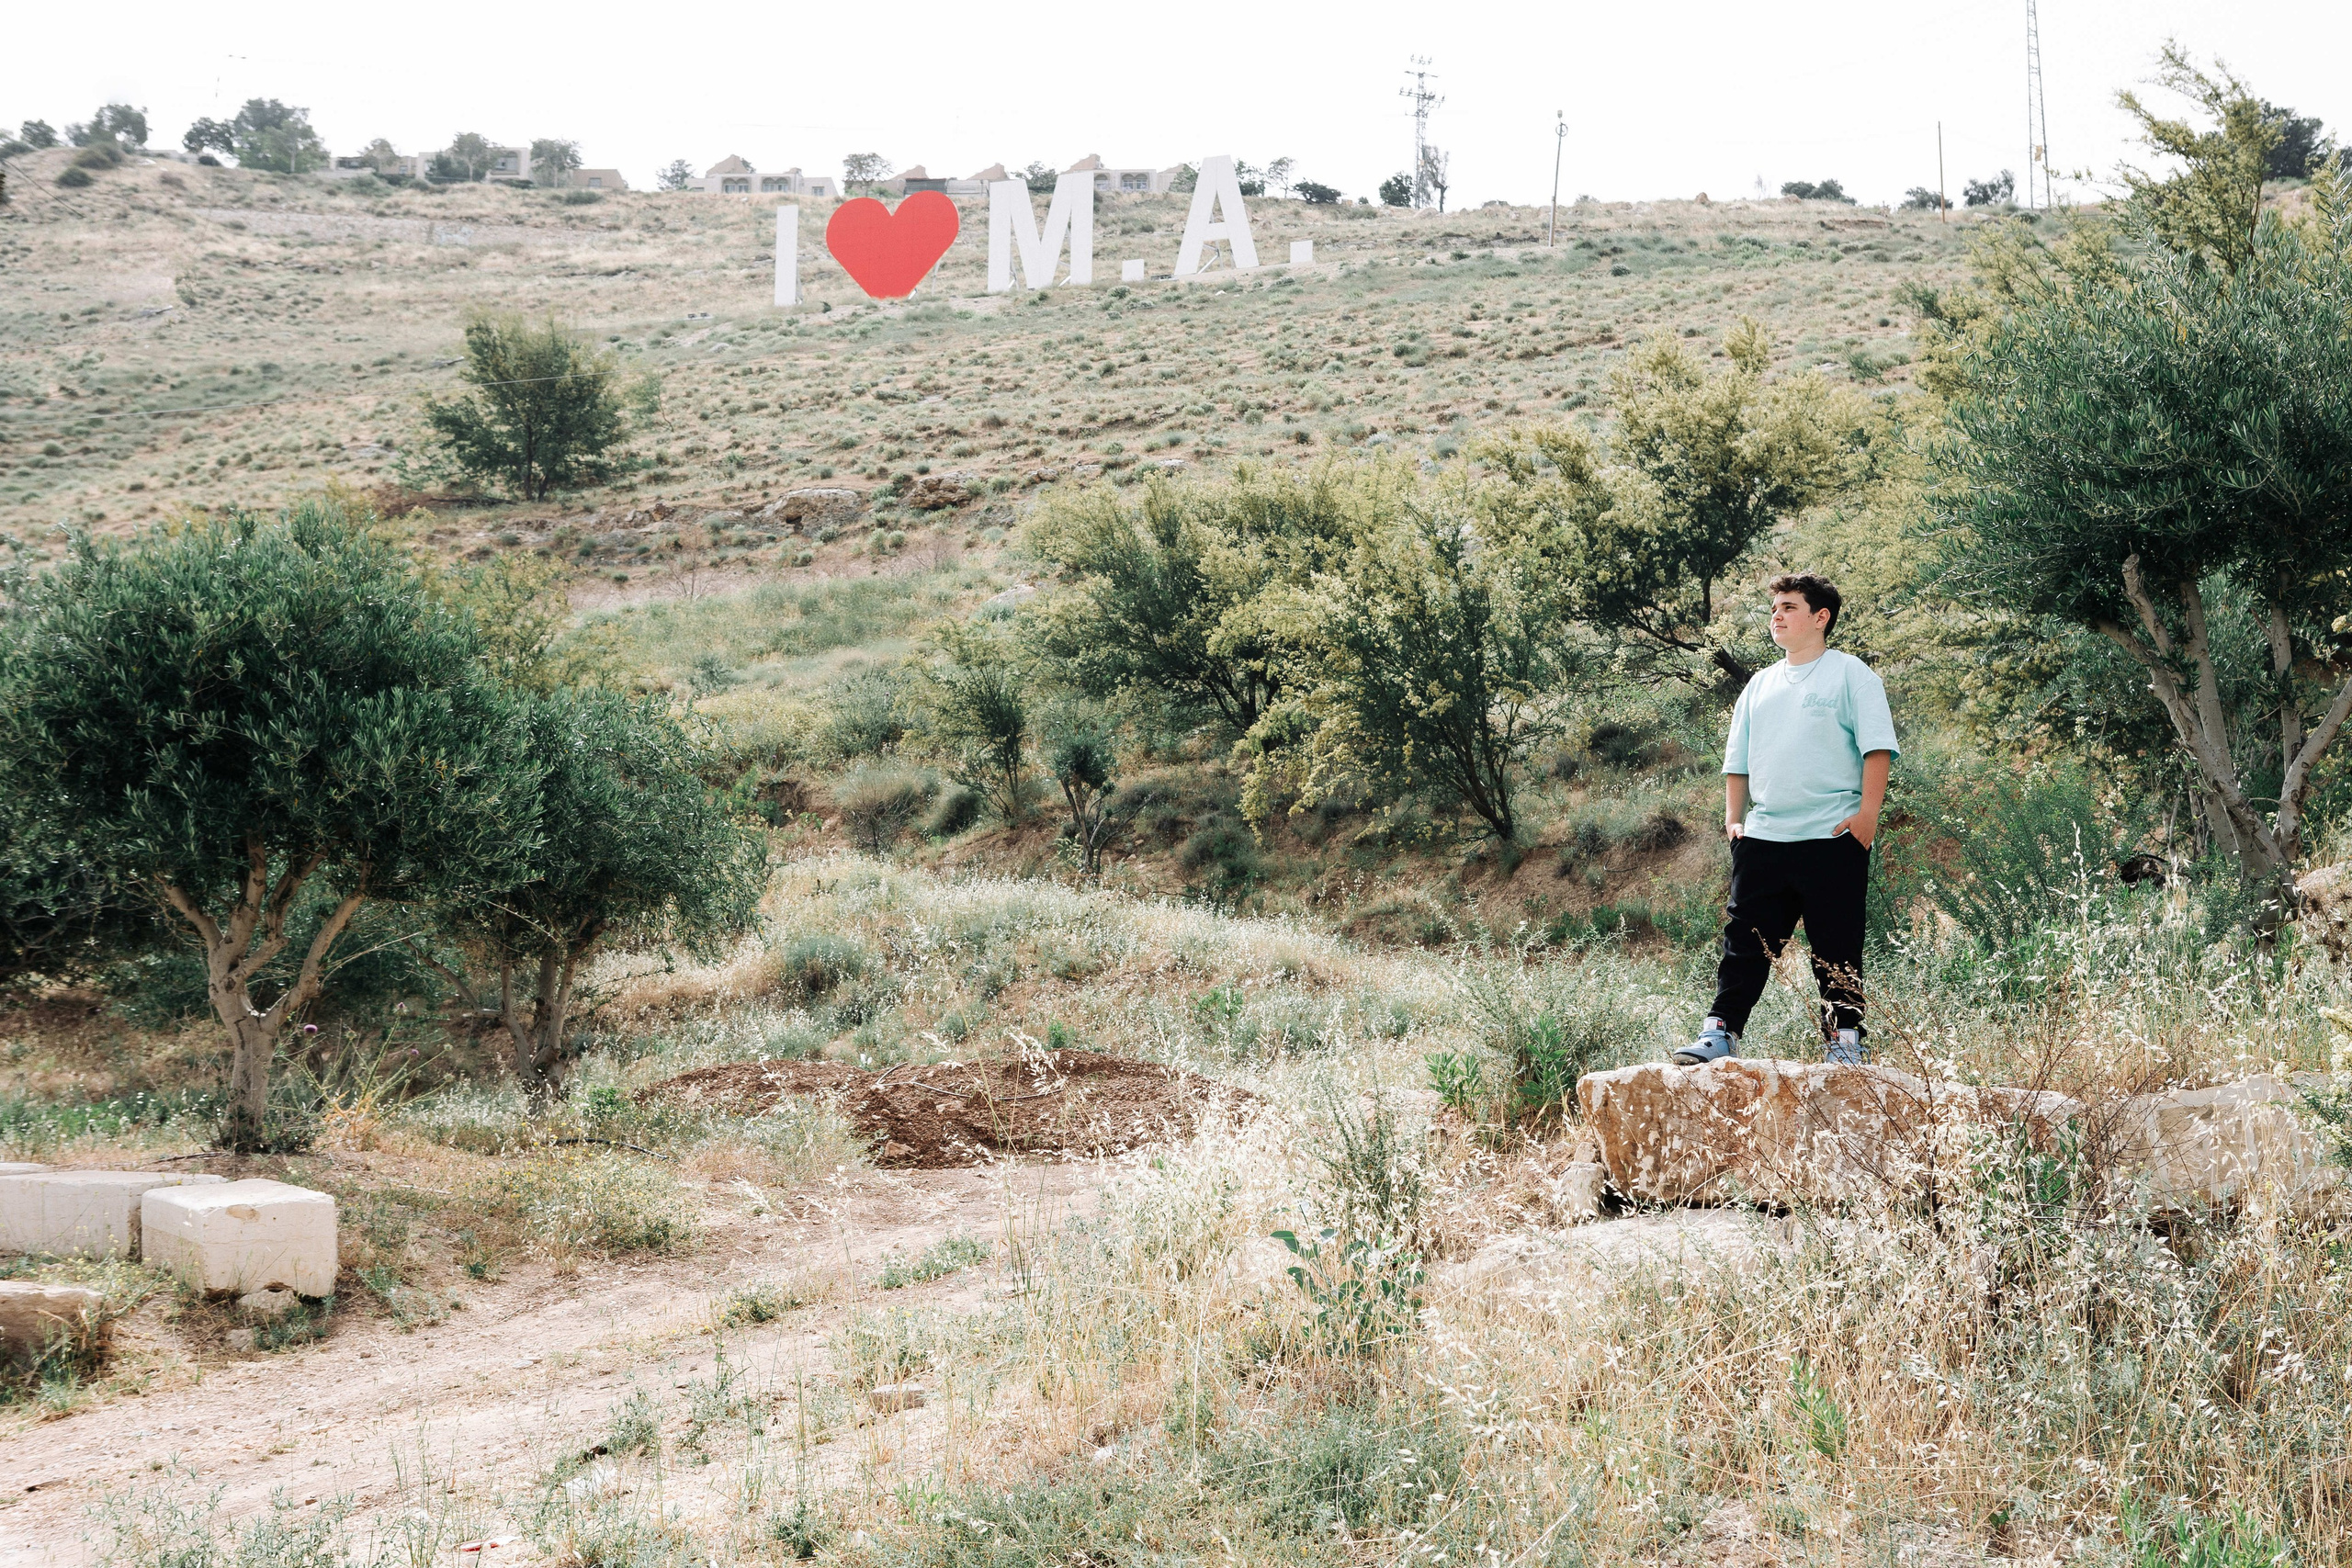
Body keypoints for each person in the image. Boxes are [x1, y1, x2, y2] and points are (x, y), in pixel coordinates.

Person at [1675, 574, 1896, 1068]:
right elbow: (1738, 761)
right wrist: (1735, 822)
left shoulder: (1851, 674)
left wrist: (1866, 820)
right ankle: (1719, 1034)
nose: (1776, 615)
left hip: (1831, 837)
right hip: (1764, 839)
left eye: (1789, 607)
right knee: (1744, 946)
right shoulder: (1760, 683)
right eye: (1774, 607)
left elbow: (1877, 750)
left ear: (1822, 618)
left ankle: (1844, 1042)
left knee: (1836, 947)